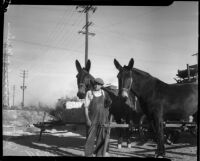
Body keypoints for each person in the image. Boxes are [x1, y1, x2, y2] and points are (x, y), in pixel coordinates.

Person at [84, 78, 112, 157]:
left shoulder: (104, 93)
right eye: (95, 84)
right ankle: (88, 155)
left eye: (98, 84)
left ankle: (99, 154)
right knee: (90, 139)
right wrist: (87, 119)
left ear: (101, 86)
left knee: (101, 138)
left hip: (102, 120)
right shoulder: (89, 93)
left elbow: (108, 104)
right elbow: (86, 107)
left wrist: (108, 106)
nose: (96, 86)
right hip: (92, 120)